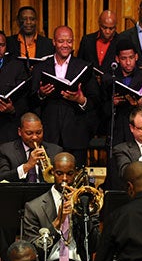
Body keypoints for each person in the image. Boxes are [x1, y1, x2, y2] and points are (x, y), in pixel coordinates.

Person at [31, 25, 101, 167]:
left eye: (69, 41)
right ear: (54, 42)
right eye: (61, 41)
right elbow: (30, 99)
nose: (65, 45)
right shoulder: (41, 67)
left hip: (76, 135)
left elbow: (96, 99)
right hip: (49, 135)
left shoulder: (84, 67)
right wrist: (41, 94)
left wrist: (81, 100)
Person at [23, 152, 101, 261]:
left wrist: (80, 212)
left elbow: (95, 245)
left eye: (69, 174)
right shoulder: (34, 207)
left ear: (75, 173)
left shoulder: (86, 202)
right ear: (52, 172)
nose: (65, 179)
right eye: (59, 173)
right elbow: (32, 251)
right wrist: (57, 223)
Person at [101, 39, 142, 146]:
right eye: (124, 58)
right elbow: (100, 109)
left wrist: (141, 105)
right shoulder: (109, 78)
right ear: (117, 59)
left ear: (136, 57)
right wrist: (113, 103)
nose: (128, 62)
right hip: (117, 131)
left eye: (131, 58)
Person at [0, 112, 62, 182]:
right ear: (20, 132)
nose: (35, 137)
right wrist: (27, 166)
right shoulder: (6, 150)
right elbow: (2, 177)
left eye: (38, 132)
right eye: (29, 133)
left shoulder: (56, 151)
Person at [0, 30, 30, 143]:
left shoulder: (16, 67)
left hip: (7, 127)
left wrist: (13, 110)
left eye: (2, 45)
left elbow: (24, 98)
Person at [6, 6, 54, 72]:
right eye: (24, 19)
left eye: (32, 19)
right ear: (18, 21)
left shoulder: (49, 44)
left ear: (36, 21)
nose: (28, 22)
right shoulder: (8, 42)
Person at [77, 10, 118, 74]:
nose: (107, 31)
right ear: (99, 24)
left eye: (111, 28)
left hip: (110, 82)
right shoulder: (87, 40)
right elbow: (79, 64)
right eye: (104, 27)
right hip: (89, 82)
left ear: (115, 27)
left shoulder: (120, 42)